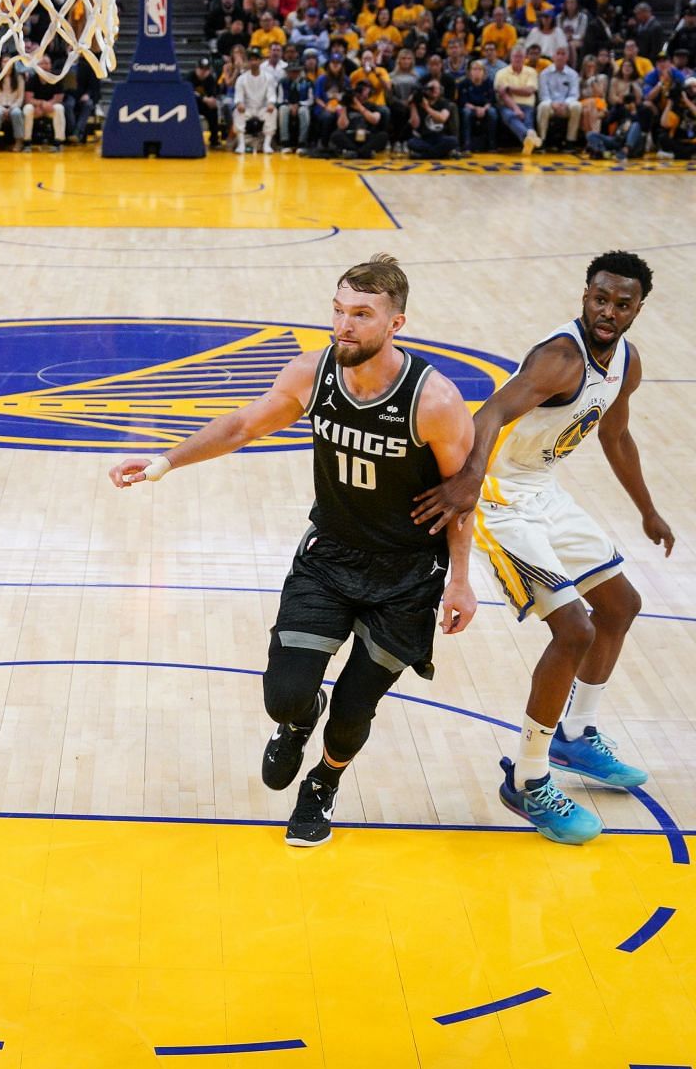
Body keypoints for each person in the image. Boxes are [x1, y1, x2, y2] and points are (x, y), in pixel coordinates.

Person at [110, 256, 478, 846]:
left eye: (361, 314)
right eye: (338, 311)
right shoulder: (311, 374)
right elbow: (240, 426)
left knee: (355, 709)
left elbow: (460, 498)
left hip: (407, 574)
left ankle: (323, 785)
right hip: (330, 558)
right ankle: (299, 721)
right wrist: (163, 462)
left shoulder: (432, 400)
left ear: (397, 323)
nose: (344, 325)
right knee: (285, 696)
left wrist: (461, 580)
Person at [413, 252, 672, 845]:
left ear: (637, 308)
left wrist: (647, 509)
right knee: (574, 630)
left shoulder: (625, 363)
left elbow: (615, 433)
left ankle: (576, 735)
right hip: (502, 500)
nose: (608, 312)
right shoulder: (560, 358)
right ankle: (529, 779)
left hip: (543, 491)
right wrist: (472, 479)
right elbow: (493, 410)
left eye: (622, 304)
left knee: (620, 606)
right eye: (600, 299)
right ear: (585, 295)